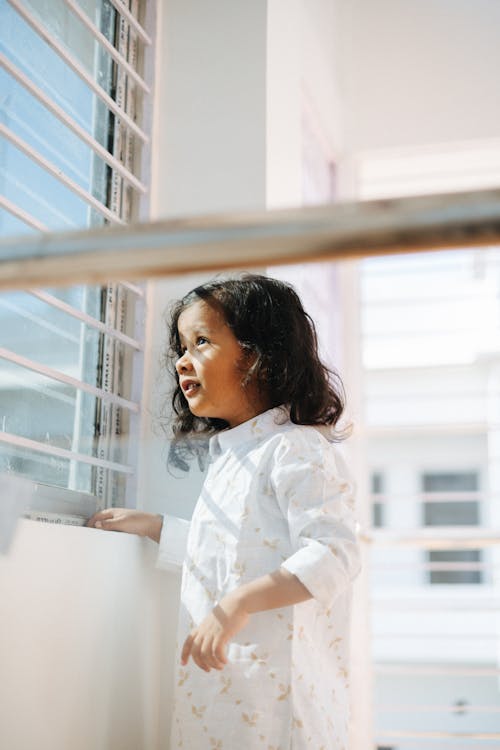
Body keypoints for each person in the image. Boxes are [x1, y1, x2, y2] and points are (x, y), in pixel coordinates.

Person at [87, 274, 361, 749]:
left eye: (201, 342)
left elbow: (334, 554)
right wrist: (157, 528)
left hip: (278, 706)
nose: (181, 360)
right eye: (181, 346)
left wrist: (237, 604)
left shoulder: (295, 448)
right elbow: (236, 548)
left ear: (258, 355)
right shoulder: (234, 454)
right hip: (224, 695)